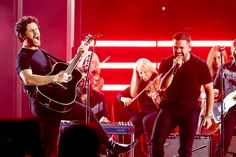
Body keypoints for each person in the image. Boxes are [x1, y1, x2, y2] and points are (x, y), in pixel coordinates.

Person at [15, 16, 136, 157]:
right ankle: (111, 145)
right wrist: (55, 77)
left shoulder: (41, 53)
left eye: (37, 29)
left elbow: (65, 69)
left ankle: (111, 146)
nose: (36, 32)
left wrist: (79, 54)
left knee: (48, 150)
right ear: (23, 35)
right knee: (87, 112)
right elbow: (28, 79)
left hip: (53, 103)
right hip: (42, 104)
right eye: (31, 30)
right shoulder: (23, 56)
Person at [150, 32, 214, 157]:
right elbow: (163, 86)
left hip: (190, 109)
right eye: (175, 47)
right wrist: (173, 69)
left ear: (189, 47)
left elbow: (209, 90)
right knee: (155, 143)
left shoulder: (200, 64)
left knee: (185, 150)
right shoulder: (166, 63)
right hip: (170, 107)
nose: (178, 51)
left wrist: (207, 115)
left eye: (181, 48)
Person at [116, 58, 161, 156]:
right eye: (140, 73)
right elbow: (119, 94)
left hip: (157, 112)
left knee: (146, 120)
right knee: (131, 123)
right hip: (143, 113)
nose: (143, 75)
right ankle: (138, 153)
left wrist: (156, 98)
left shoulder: (158, 80)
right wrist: (123, 98)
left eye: (146, 72)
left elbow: (164, 102)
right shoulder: (139, 84)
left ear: (150, 70)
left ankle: (151, 152)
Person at [213, 39, 236, 157]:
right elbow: (214, 87)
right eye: (235, 47)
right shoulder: (225, 67)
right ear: (232, 50)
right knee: (223, 143)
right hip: (229, 110)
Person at [76, 51, 110, 123]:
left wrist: (104, 119)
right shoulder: (69, 96)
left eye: (92, 62)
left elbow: (104, 118)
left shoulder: (100, 97)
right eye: (82, 80)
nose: (88, 64)